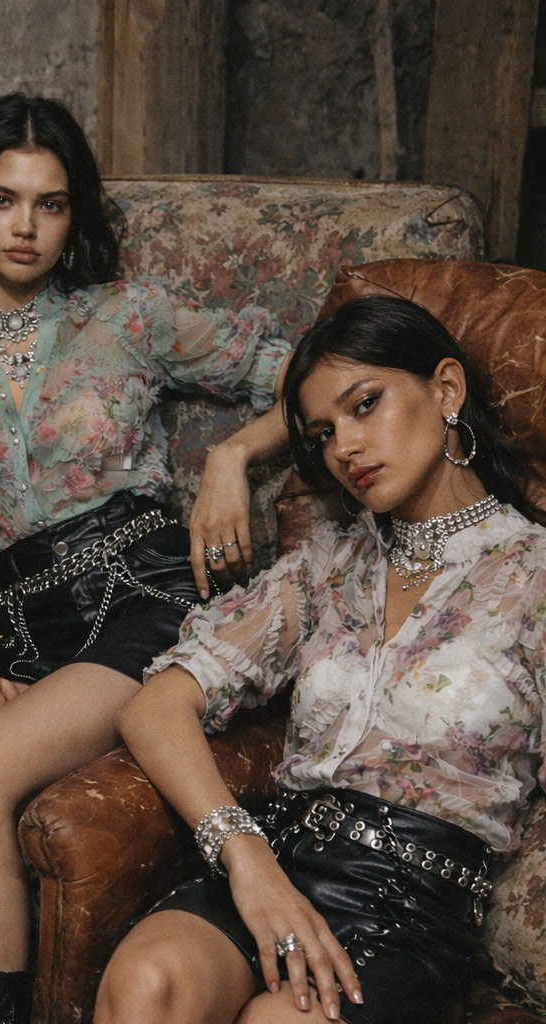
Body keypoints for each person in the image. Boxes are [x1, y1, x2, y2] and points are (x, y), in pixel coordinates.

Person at [0, 92, 292, 1024]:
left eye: (50, 204)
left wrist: (232, 454)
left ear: (72, 216)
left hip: (144, 587)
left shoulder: (126, 314)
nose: (26, 225)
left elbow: (317, 376)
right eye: (5, 199)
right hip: (31, 628)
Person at [94, 295, 546, 1024]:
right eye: (325, 432)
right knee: (147, 980)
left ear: (447, 389)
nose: (345, 449)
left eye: (366, 405)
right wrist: (248, 862)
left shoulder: (533, 574)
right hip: (279, 859)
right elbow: (155, 705)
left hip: (410, 906)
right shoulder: (326, 566)